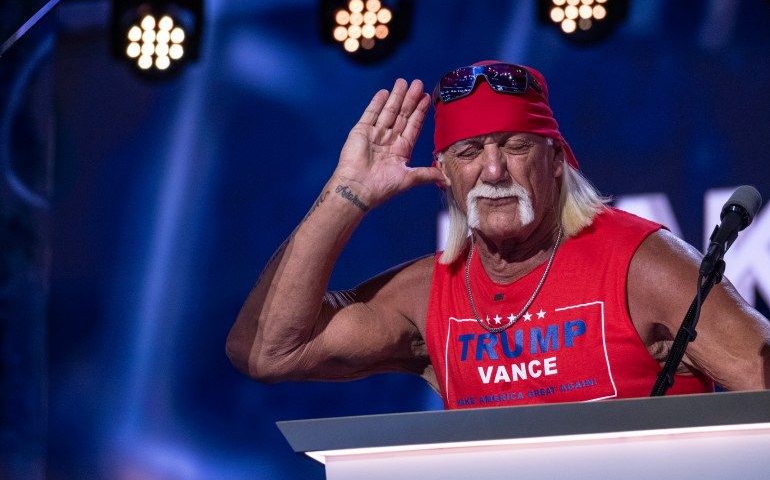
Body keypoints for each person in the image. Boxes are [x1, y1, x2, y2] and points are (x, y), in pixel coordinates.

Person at [226, 61, 770, 409]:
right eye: (468, 153)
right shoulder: (428, 292)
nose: (492, 171)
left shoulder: (642, 264)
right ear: (444, 173)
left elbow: (761, 378)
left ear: (555, 159)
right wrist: (348, 195)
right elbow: (268, 353)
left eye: (514, 146)